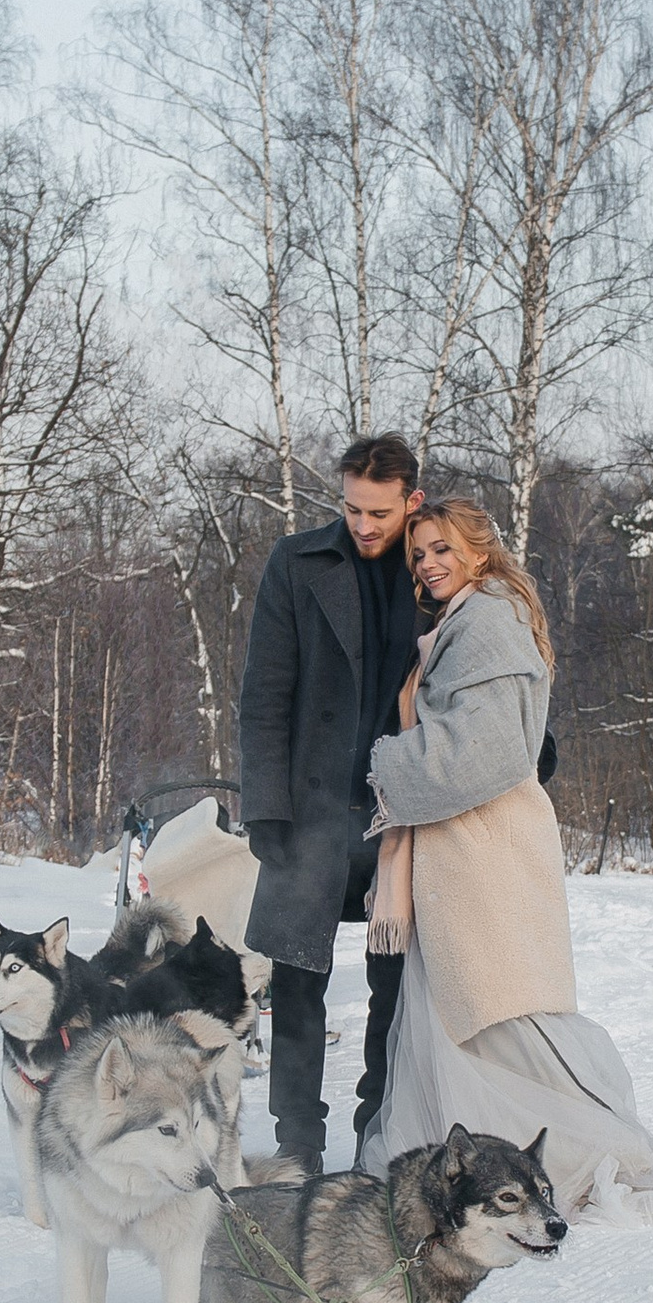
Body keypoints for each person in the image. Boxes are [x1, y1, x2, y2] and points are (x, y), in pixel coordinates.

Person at [356, 500, 653, 1223]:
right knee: (470, 1019)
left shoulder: (486, 621)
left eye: (442, 548)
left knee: (498, 1016)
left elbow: (487, 752)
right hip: (463, 851)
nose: (427, 563)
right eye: (419, 553)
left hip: (483, 852)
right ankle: (464, 1166)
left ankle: (569, 1155)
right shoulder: (468, 617)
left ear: (479, 551)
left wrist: (387, 762)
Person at [237, 434, 426, 1172]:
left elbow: (487, 665)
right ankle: (297, 1147)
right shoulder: (297, 562)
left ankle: (376, 1140)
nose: (363, 524)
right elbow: (264, 695)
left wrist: (528, 743)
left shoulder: (436, 564)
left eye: (379, 511)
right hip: (311, 812)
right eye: (351, 508)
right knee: (295, 986)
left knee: (396, 989)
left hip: (402, 819)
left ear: (412, 500)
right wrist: (265, 807)